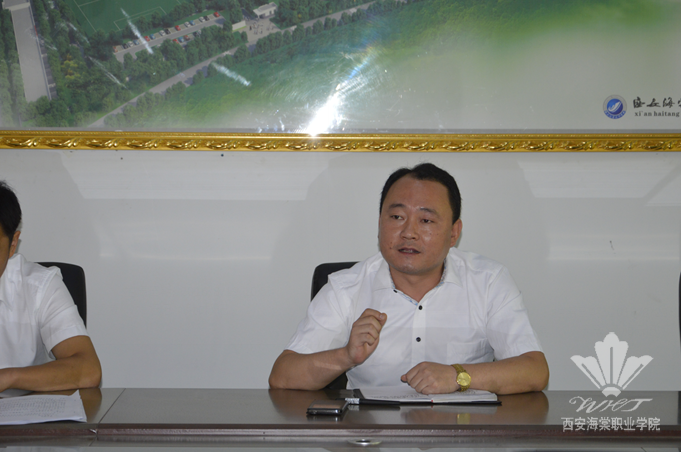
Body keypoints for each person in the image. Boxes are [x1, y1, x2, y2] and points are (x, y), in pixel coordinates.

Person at [269, 163, 548, 395]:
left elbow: (534, 371)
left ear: (454, 233)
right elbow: (282, 376)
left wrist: (457, 376)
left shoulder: (488, 282)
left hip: (462, 433)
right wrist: (345, 356)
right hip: (374, 436)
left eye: (426, 221)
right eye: (397, 216)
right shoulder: (346, 288)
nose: (409, 233)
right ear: (380, 223)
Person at [0, 181, 101, 393]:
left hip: (20, 412)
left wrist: (8, 377)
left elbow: (88, 369)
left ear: (12, 244)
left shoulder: (39, 287)